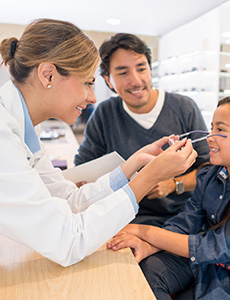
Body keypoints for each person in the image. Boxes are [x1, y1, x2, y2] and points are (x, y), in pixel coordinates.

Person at [0, 18, 198, 267]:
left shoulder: (24, 129)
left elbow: (70, 201)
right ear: (47, 74)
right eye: (87, 83)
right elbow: (67, 241)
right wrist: (147, 177)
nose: (93, 98)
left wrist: (134, 164)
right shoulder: (4, 136)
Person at [107, 94, 230, 300]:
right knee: (151, 268)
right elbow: (186, 223)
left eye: (220, 130)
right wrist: (149, 246)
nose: (209, 137)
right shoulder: (209, 176)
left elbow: (214, 248)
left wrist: (145, 232)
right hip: (211, 267)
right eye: (211, 128)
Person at [74, 33, 210, 227]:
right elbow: (85, 169)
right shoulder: (105, 113)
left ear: (150, 70)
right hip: (123, 217)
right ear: (108, 80)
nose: (136, 80)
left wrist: (172, 185)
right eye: (123, 73)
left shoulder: (184, 108)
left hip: (180, 218)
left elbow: (209, 169)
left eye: (141, 68)